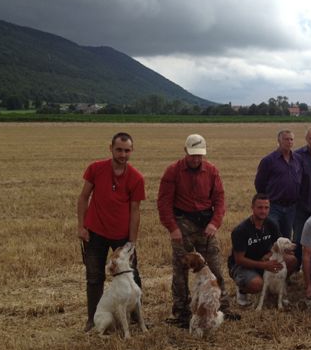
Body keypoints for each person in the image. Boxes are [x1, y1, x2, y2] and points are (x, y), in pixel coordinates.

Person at [157, 133, 237, 328]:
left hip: (205, 224)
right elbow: (164, 202)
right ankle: (182, 312)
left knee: (215, 266)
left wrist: (214, 223)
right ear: (185, 152)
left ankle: (221, 307)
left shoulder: (211, 171)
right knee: (180, 268)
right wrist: (173, 227)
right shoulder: (173, 172)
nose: (196, 159)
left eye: (199, 155)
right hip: (182, 222)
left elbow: (219, 200)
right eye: (193, 155)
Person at [77, 132, 145, 332]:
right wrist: (81, 227)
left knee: (133, 274)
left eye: (127, 150)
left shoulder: (136, 178)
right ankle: (93, 320)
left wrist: (131, 242)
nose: (123, 154)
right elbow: (83, 198)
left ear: (131, 151)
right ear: (111, 148)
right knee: (94, 277)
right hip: (94, 232)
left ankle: (135, 318)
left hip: (121, 235)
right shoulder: (95, 169)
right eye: (119, 150)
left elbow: (135, 211)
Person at [228, 193, 299, 307]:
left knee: (291, 260)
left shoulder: (271, 224)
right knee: (257, 284)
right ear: (252, 208)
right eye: (260, 207)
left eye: (266, 208)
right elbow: (239, 260)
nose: (263, 211)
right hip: (243, 265)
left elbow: (278, 245)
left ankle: (276, 287)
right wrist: (265, 265)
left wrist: (270, 254)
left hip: (265, 261)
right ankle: (242, 290)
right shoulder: (240, 230)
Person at [254, 129, 303, 238]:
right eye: (286, 139)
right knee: (272, 236)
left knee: (286, 240)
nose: (289, 142)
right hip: (274, 207)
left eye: (291, 139)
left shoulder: (298, 159)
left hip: (291, 208)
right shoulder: (268, 161)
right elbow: (259, 183)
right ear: (279, 141)